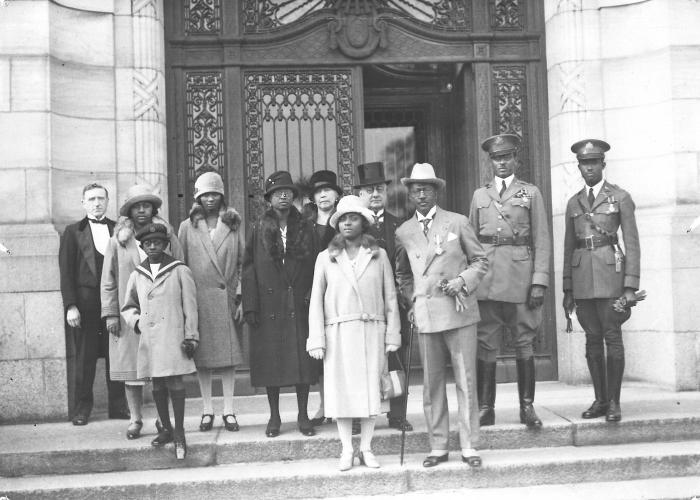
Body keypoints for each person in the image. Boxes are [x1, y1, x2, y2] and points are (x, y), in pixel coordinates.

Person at [395, 163, 487, 468]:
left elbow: (480, 261)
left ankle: (469, 445)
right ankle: (438, 445)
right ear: (409, 194)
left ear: (437, 191)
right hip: (426, 315)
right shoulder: (404, 231)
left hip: (458, 311)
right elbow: (403, 273)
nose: (421, 195)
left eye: (427, 189)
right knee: (432, 383)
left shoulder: (457, 223)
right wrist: (412, 300)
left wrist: (461, 282)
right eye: (416, 189)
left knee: (465, 379)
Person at [307, 195, 401, 471]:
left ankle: (367, 447)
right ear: (337, 224)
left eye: (354, 218)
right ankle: (347, 449)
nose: (348, 223)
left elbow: (391, 297)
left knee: (371, 392)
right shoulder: (326, 258)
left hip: (371, 329)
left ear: (364, 222)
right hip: (338, 333)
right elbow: (315, 300)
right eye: (343, 219)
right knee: (343, 393)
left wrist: (392, 335)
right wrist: (317, 339)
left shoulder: (378, 254)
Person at [469, 134, 551, 428]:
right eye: (496, 158)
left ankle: (526, 408)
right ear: (490, 161)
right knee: (486, 342)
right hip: (487, 279)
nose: (501, 162)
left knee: (524, 341)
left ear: (516, 159)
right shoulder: (481, 195)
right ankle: (485, 408)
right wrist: (470, 279)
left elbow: (541, 238)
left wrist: (539, 280)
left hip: (520, 277)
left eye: (506, 157)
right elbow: (471, 242)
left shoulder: (530, 193)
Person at [563, 139, 641, 422]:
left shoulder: (619, 197)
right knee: (592, 341)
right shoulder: (574, 202)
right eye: (585, 164)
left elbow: (632, 242)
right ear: (579, 167)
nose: (589, 168)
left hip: (611, 276)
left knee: (612, 337)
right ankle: (600, 400)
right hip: (583, 279)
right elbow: (568, 248)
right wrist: (567, 289)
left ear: (603, 165)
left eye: (594, 163)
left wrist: (630, 285)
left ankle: (615, 403)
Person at [101, 184, 184, 440]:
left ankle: (163, 419)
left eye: (146, 205)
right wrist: (111, 313)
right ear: (129, 210)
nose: (141, 210)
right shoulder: (118, 240)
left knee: (162, 368)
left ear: (153, 208)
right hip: (131, 316)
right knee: (131, 369)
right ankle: (135, 419)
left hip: (161, 314)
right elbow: (109, 279)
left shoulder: (166, 234)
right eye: (136, 206)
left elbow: (181, 265)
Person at [242, 171, 318, 438]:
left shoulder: (305, 227)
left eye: (288, 193)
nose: (283, 197)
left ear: (294, 198)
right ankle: (274, 416)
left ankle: (303, 414)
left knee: (302, 362)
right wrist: (250, 305)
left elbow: (316, 265)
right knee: (271, 363)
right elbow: (248, 268)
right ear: (269, 199)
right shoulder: (258, 228)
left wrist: (312, 294)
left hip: (299, 302)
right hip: (269, 306)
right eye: (277, 193)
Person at [121, 223, 199, 460]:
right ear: (142, 247)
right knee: (157, 385)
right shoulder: (138, 274)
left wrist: (191, 336)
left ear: (166, 245)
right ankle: (165, 427)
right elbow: (128, 306)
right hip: (151, 340)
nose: (153, 246)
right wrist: (136, 322)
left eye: (158, 242)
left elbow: (191, 307)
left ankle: (180, 432)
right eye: (148, 243)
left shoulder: (179, 270)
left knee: (175, 382)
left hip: (173, 338)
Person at [178, 172, 245, 433]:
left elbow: (242, 263)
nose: (209, 199)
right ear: (197, 197)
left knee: (228, 359)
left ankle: (229, 409)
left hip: (225, 297)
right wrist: (185, 304)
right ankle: (207, 409)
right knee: (203, 358)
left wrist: (240, 297)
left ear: (221, 196)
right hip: (199, 300)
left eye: (214, 194)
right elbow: (181, 265)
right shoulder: (187, 227)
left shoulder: (233, 225)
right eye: (204, 194)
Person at [59, 183, 128, 425]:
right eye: (91, 199)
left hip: (114, 305)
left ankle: (118, 407)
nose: (97, 203)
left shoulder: (117, 229)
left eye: (101, 198)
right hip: (85, 308)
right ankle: (81, 410)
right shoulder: (72, 232)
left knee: (116, 356)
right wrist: (70, 306)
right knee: (85, 359)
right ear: (83, 202)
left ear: (108, 202)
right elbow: (66, 273)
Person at [354, 161, 413, 432]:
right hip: (362, 306)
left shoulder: (400, 225)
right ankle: (359, 414)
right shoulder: (351, 228)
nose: (375, 194)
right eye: (369, 190)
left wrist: (406, 298)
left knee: (396, 357)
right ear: (360, 195)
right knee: (360, 359)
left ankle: (397, 414)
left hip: (394, 304)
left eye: (379, 189)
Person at [302, 169, 343, 427]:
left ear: (337, 194)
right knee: (317, 354)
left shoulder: (344, 222)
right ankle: (323, 403)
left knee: (340, 350)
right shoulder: (304, 224)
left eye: (328, 190)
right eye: (318, 191)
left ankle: (341, 404)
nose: (323, 195)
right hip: (309, 295)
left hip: (338, 294)